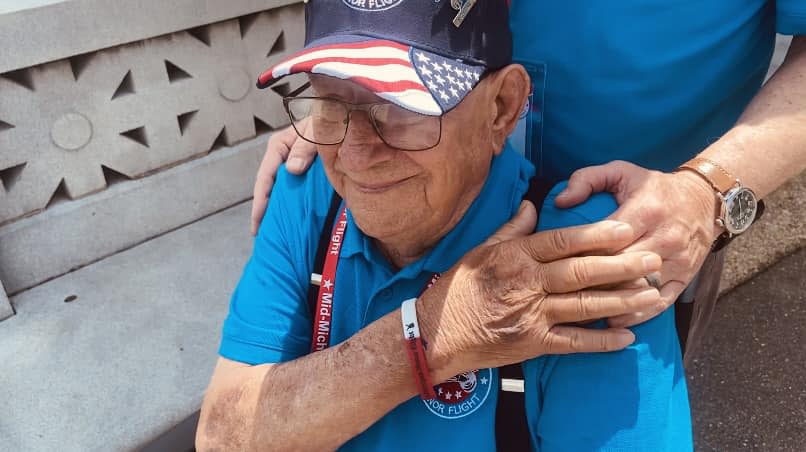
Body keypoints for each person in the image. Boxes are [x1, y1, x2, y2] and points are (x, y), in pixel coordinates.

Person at [197, 1, 691, 450]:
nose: (352, 154)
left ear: (501, 108)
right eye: (330, 102)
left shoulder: (583, 258)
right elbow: (221, 438)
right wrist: (429, 336)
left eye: (397, 109)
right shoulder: (308, 191)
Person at [250, 1, 806, 360]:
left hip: (639, 226)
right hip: (440, 196)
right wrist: (349, 104)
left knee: (610, 392)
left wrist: (708, 191)